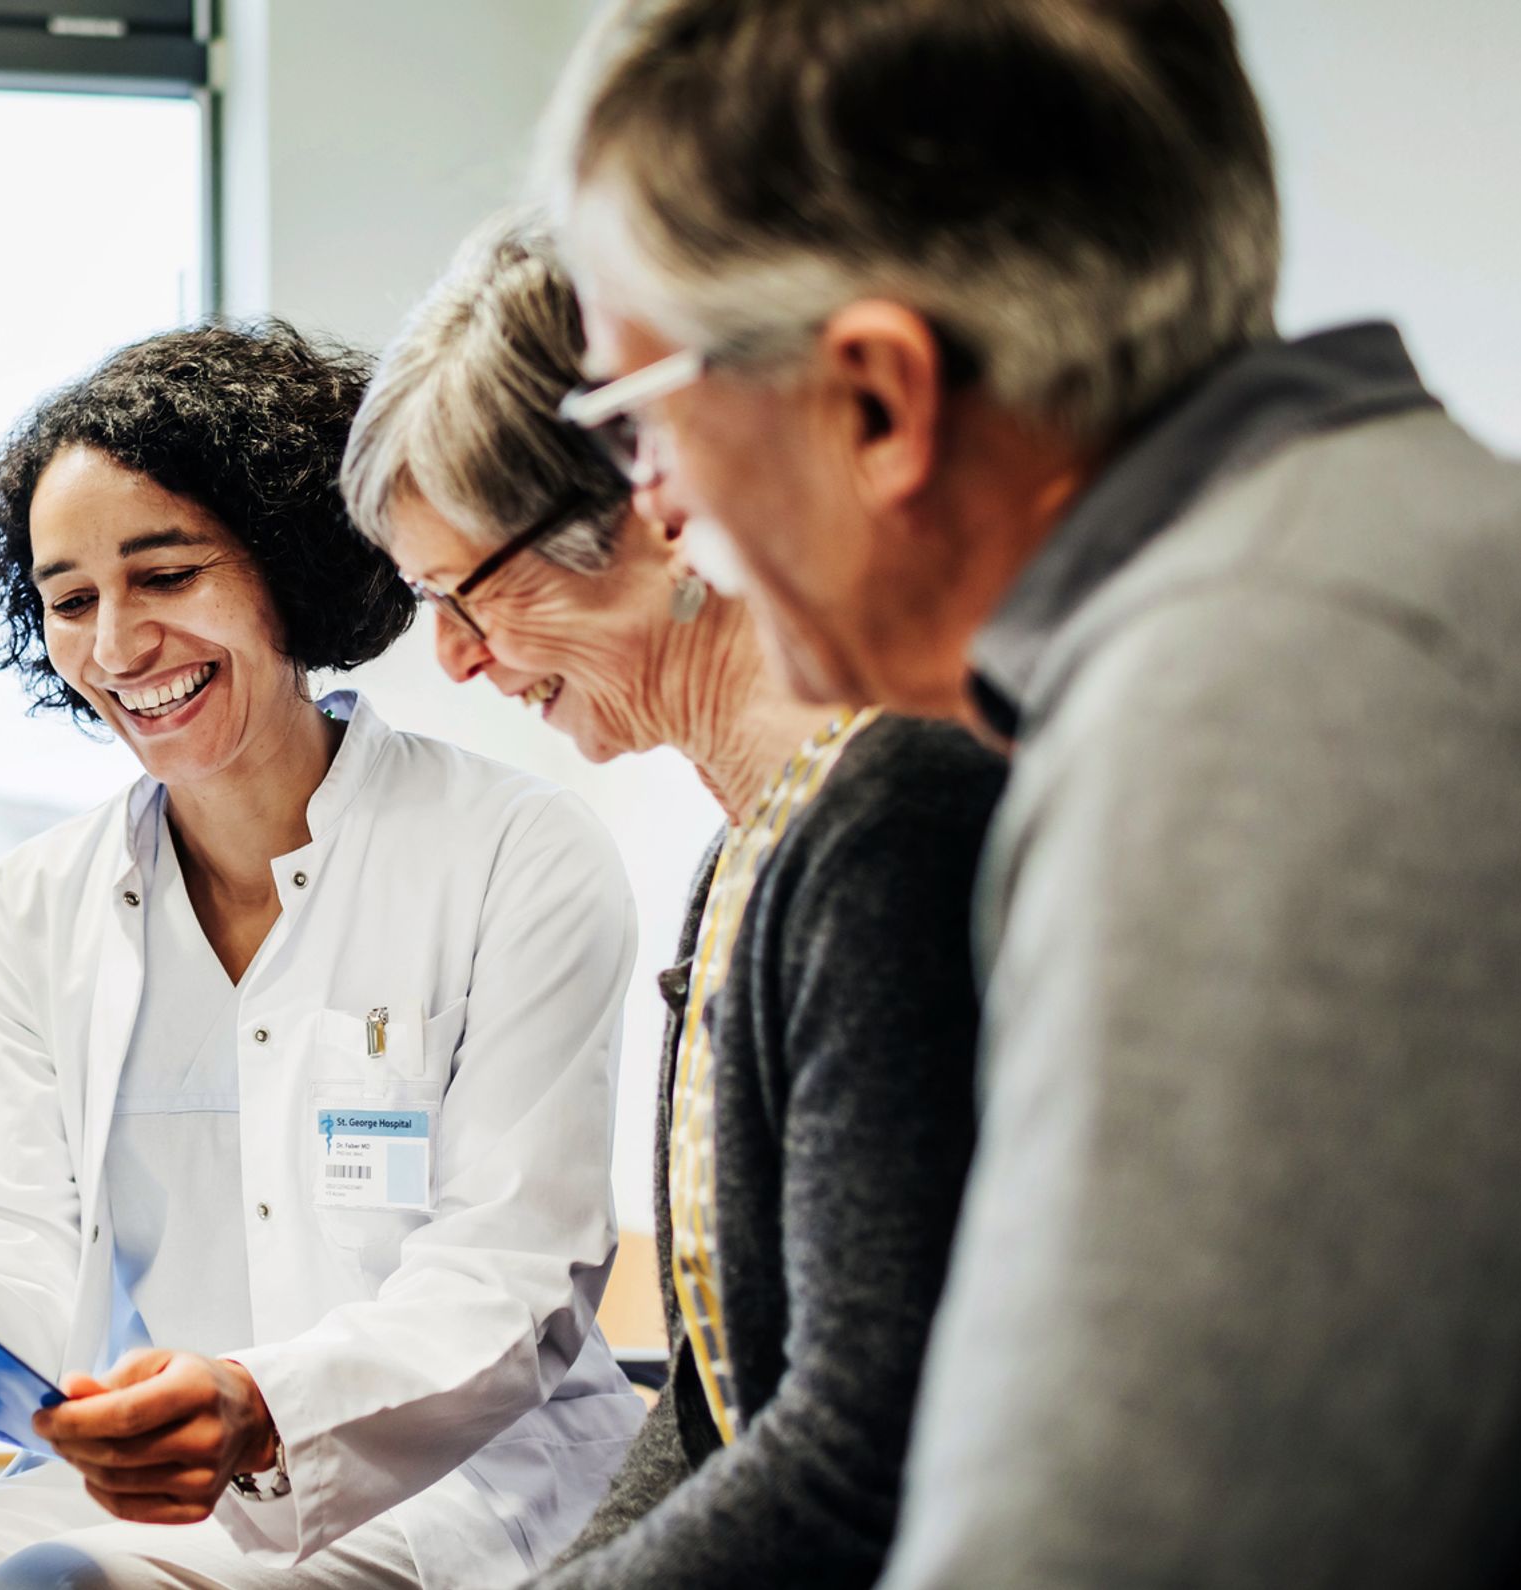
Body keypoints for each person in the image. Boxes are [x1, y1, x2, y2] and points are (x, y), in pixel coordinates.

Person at [541, 1, 1521, 1586]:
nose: (660, 502)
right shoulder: (1423, 574)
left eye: (639, 420)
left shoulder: (1271, 694)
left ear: (879, 402)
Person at [0, 322, 648, 1589]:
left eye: (166, 577)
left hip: (470, 1484)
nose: (116, 648)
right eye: (70, 602)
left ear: (292, 568)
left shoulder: (515, 852)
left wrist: (254, 1400)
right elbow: (14, 1249)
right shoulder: (38, 902)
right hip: (153, 1489)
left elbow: (513, 1276)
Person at [341, 218, 1007, 1590]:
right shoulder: (739, 858)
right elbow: (711, 1401)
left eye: (467, 596)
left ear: (655, 503)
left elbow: (858, 1448)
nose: (457, 663)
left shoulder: (896, 815)